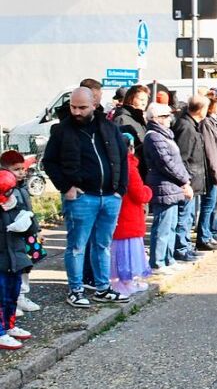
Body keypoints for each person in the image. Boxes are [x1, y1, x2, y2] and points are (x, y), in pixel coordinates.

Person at [42, 86, 130, 307]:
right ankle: (76, 289)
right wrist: (66, 187)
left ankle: (102, 287)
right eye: (73, 106)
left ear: (94, 105)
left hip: (110, 197)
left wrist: (120, 190)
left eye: (82, 107)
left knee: (102, 245)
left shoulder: (108, 128)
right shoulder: (62, 130)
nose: (77, 112)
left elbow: (122, 158)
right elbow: (49, 162)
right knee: (77, 246)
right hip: (82, 197)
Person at [143, 102, 192, 273]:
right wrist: (185, 180)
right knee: (162, 225)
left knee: (171, 224)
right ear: (155, 118)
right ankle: (158, 261)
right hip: (163, 185)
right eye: (165, 116)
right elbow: (166, 163)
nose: (169, 119)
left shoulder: (165, 135)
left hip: (171, 186)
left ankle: (168, 258)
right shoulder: (154, 136)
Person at [109, 134, 153, 295]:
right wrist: (149, 191)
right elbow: (139, 193)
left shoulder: (113, 164)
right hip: (130, 215)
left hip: (117, 214)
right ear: (131, 148)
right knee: (129, 252)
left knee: (117, 251)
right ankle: (127, 282)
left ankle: (121, 281)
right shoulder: (130, 166)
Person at [0, 150, 41, 315]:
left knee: (25, 266)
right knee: (12, 269)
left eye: (22, 169)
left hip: (26, 234)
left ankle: (21, 297)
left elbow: (29, 211)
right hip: (10, 236)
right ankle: (12, 301)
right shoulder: (5, 190)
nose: (21, 172)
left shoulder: (22, 188)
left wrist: (36, 230)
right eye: (16, 170)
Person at [171, 94, 210, 261]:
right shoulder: (186, 127)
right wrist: (185, 181)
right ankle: (181, 249)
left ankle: (186, 246)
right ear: (201, 109)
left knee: (189, 216)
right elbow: (183, 156)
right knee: (184, 216)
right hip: (189, 180)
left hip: (194, 179)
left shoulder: (192, 125)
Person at [0, 170, 35, 350]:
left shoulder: (15, 204)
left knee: (11, 296)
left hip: (16, 259)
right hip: (2, 260)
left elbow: (31, 228)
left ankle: (9, 325)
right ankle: (0, 332)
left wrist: (27, 221)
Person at [197, 93, 217, 250]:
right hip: (212, 171)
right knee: (208, 205)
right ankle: (204, 236)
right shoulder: (206, 124)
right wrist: (216, 172)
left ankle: (210, 233)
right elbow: (210, 149)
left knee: (215, 204)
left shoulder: (212, 122)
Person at [112, 84, 150, 178]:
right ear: (131, 99)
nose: (144, 103)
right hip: (133, 172)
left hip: (142, 170)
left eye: (146, 100)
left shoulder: (138, 118)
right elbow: (122, 150)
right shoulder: (122, 119)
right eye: (141, 100)